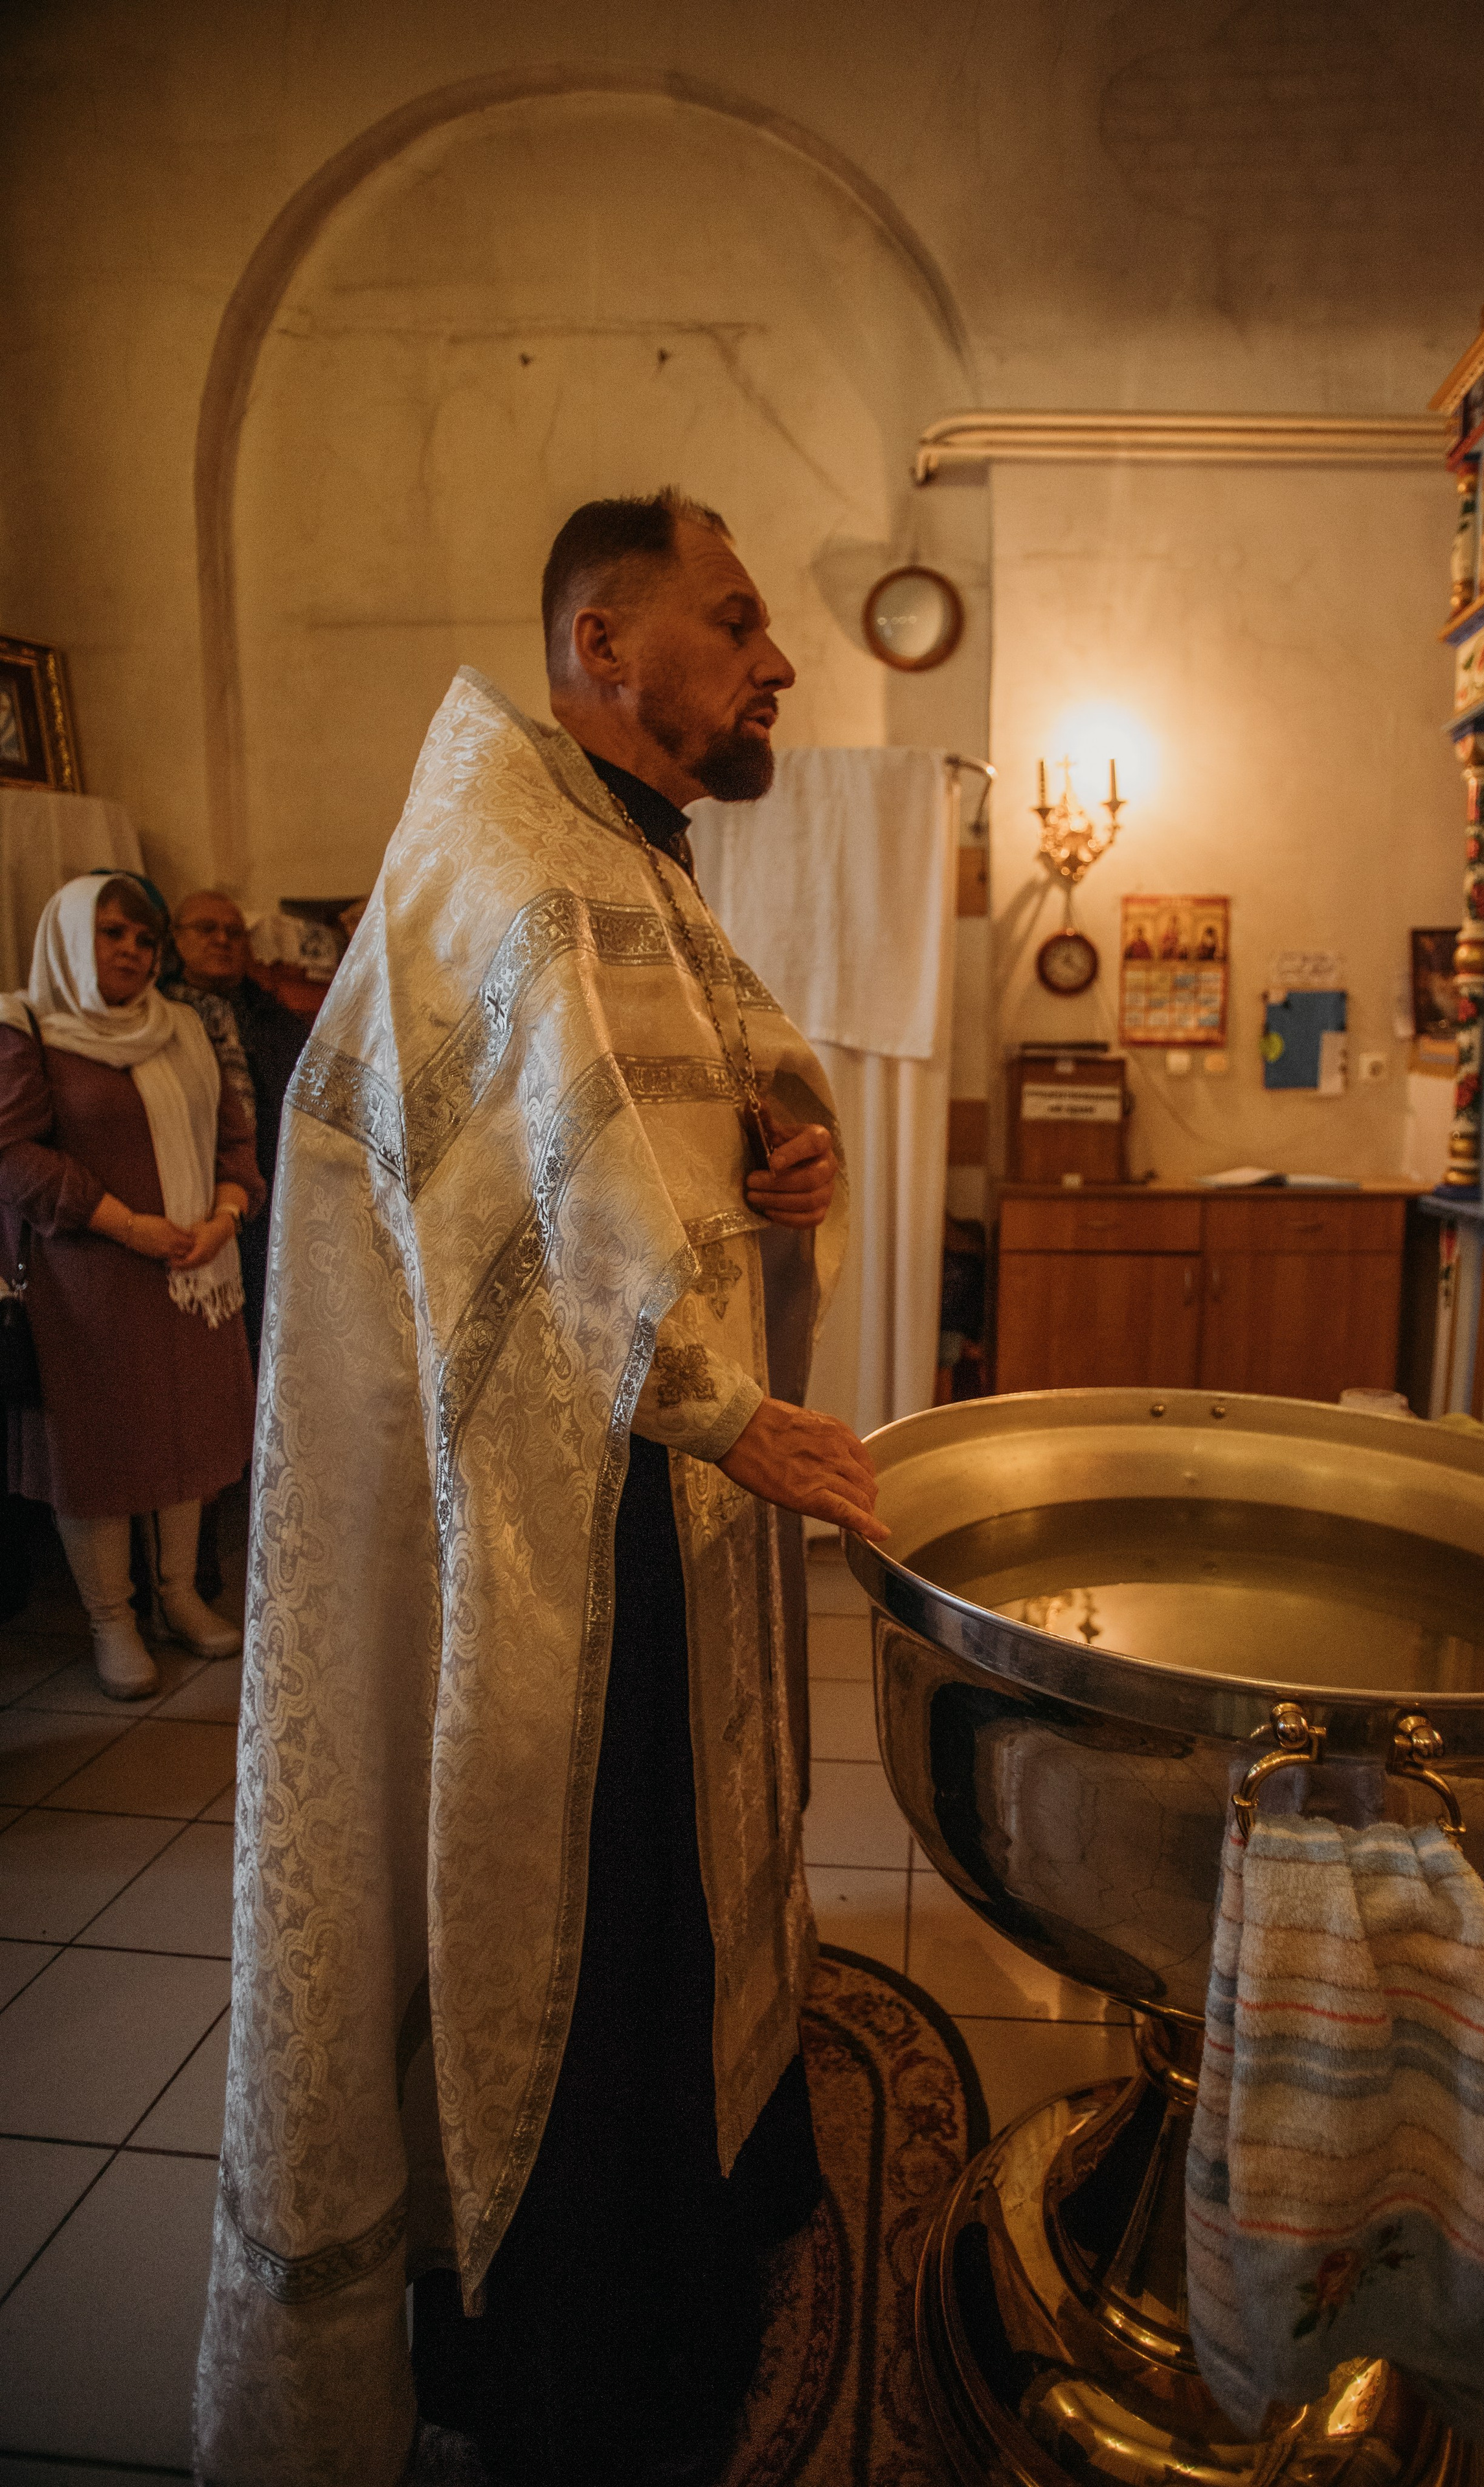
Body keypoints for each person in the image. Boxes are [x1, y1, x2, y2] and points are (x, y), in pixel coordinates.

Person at [196, 488, 885, 2487]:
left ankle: (712, 2231)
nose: (775, 660)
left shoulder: (627, 864)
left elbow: (715, 1106)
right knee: (588, 1945)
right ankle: (593, 2371)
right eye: (736, 620)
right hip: (548, 1545)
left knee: (677, 1912)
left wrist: (793, 1165)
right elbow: (553, 1173)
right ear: (605, 646)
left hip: (652, 1502)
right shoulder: (503, 857)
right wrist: (718, 1401)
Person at [0, 876, 261, 1697]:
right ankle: (112, 1619)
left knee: (185, 1437)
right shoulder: (28, 1028)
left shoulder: (181, 1025)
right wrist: (127, 1224)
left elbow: (234, 1133)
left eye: (145, 940)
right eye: (114, 933)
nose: (131, 951)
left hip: (193, 1268)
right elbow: (14, 1157)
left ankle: (179, 1596)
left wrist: (224, 1216)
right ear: (71, 936)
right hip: (89, 1281)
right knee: (101, 1452)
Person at [163, 890, 309, 1356]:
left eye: (234, 932)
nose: (223, 940)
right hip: (190, 1193)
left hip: (274, 1191)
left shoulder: (277, 1018)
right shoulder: (153, 1018)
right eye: (207, 929)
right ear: (175, 939)